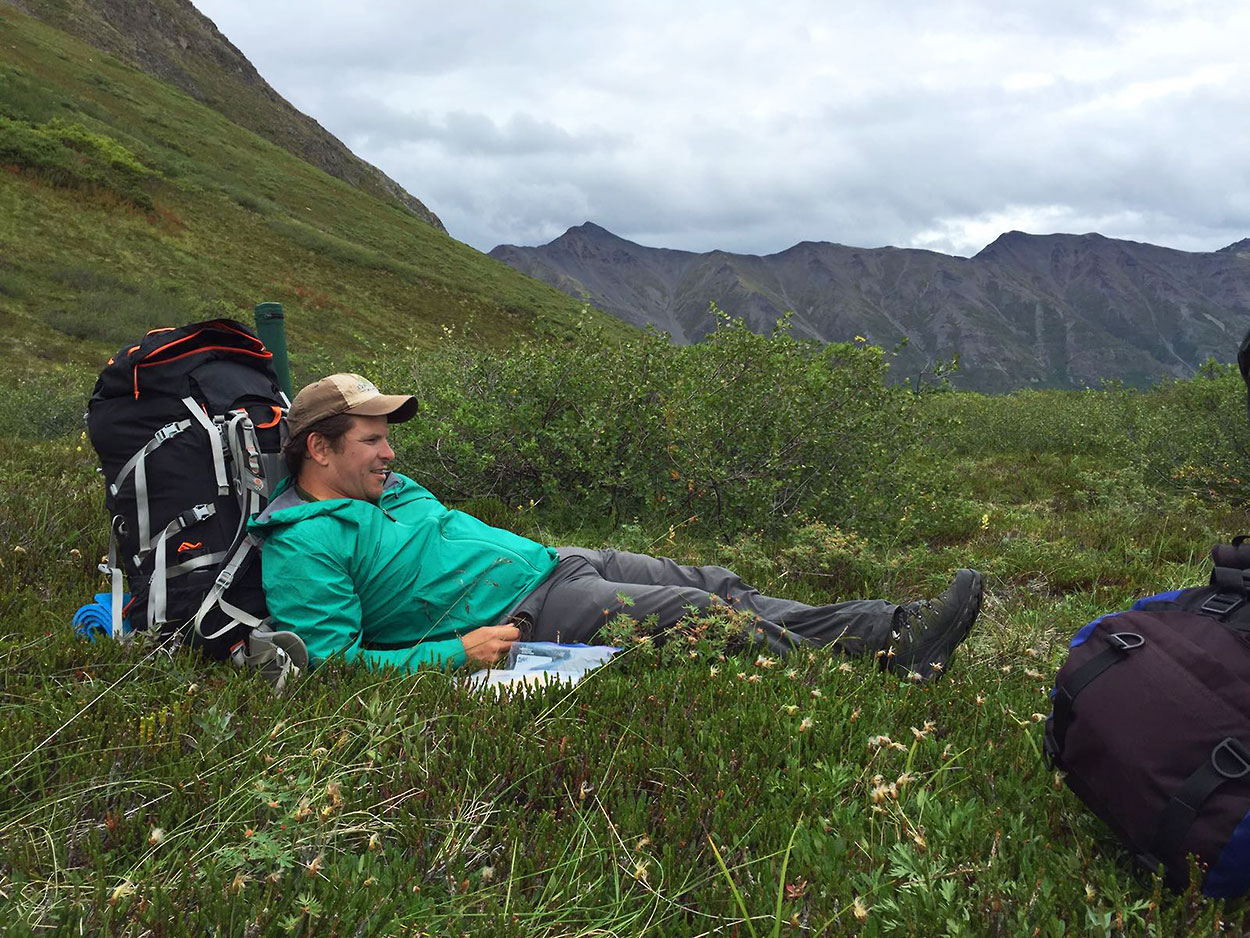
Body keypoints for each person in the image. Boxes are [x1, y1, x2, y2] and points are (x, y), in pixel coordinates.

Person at [250, 373, 984, 679]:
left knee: (714, 582)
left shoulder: (384, 489)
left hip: (558, 562)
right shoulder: (304, 544)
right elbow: (329, 665)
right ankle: (881, 665)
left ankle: (888, 626)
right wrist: (453, 652)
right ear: (319, 448)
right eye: (372, 439)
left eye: (388, 436)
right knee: (701, 617)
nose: (391, 451)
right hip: (525, 611)